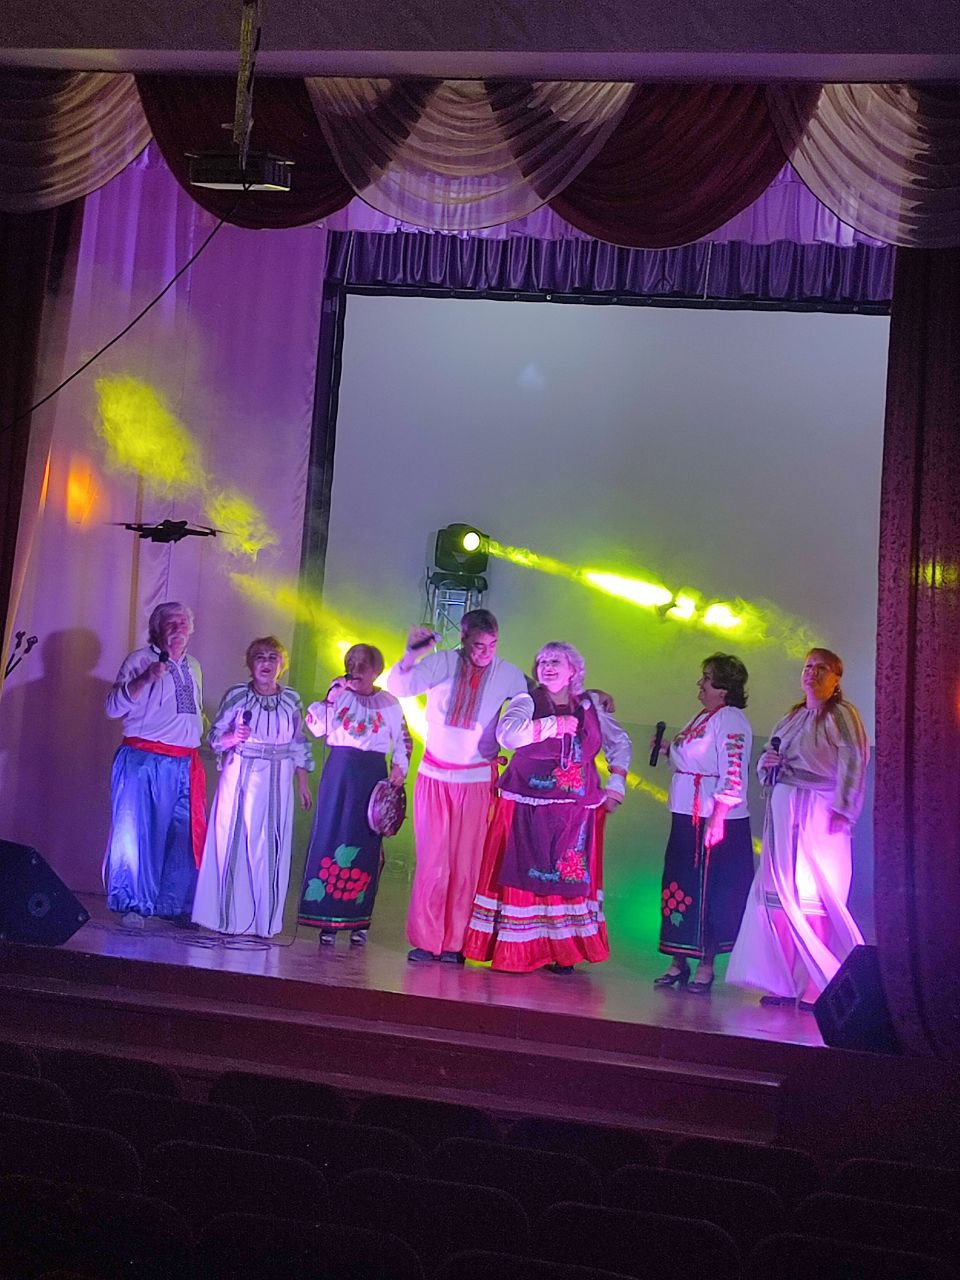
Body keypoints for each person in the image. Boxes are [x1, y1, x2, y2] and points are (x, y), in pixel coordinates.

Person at [463, 641, 631, 973]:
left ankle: (561, 950)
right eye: (542, 662)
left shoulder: (590, 705)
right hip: (527, 803)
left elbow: (619, 742)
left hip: (575, 808)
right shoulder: (527, 700)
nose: (548, 667)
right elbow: (508, 735)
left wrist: (616, 784)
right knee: (524, 871)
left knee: (564, 875)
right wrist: (552, 725)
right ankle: (521, 950)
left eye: (556, 661)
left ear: (574, 670)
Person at [727, 647, 869, 1009]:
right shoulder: (792, 718)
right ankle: (783, 982)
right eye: (808, 667)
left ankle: (816, 985)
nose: (812, 673)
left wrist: (844, 808)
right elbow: (768, 760)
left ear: (835, 678)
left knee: (813, 899)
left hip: (820, 813)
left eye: (821, 668)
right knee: (778, 899)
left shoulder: (842, 714)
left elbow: (854, 758)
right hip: (784, 811)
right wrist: (768, 763)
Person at [387, 609, 528, 963]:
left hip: (476, 780)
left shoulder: (509, 674)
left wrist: (590, 697)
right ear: (463, 639)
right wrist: (411, 655)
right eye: (479, 645)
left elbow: (535, 697)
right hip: (433, 777)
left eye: (493, 644)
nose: (486, 652)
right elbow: (399, 687)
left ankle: (457, 944)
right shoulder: (443, 663)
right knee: (433, 861)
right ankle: (427, 940)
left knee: (467, 865)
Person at [192, 637, 313, 937]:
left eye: (273, 657)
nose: (266, 663)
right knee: (235, 840)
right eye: (260, 657)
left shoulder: (291, 699)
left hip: (279, 778)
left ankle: (263, 923)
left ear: (282, 665)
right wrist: (233, 737)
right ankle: (229, 918)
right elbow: (214, 737)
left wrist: (303, 782)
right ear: (250, 663)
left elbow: (299, 741)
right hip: (242, 774)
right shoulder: (237, 695)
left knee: (270, 845)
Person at [654, 654, 754, 993]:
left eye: (707, 678)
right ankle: (678, 958)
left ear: (723, 689)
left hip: (712, 818)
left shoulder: (731, 719)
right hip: (686, 814)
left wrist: (719, 817)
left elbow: (733, 771)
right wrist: (668, 750)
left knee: (711, 890)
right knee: (680, 885)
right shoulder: (703, 716)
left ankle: (706, 965)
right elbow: (697, 757)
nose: (701, 683)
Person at [103, 601, 205, 927]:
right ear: (157, 628)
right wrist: (146, 678)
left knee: (184, 835)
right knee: (139, 834)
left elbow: (190, 713)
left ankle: (173, 905)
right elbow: (112, 708)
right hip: (145, 760)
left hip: (184, 763)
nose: (178, 628)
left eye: (183, 623)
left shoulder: (194, 666)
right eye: (170, 623)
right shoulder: (139, 660)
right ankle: (132, 903)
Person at [299, 644, 408, 947]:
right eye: (351, 663)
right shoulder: (340, 695)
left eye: (363, 664)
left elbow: (403, 739)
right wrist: (332, 696)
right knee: (331, 835)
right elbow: (316, 728)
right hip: (340, 773)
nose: (356, 669)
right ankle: (327, 919)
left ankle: (359, 920)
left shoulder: (389, 703)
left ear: (376, 670)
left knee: (366, 844)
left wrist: (399, 767)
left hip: (371, 775)